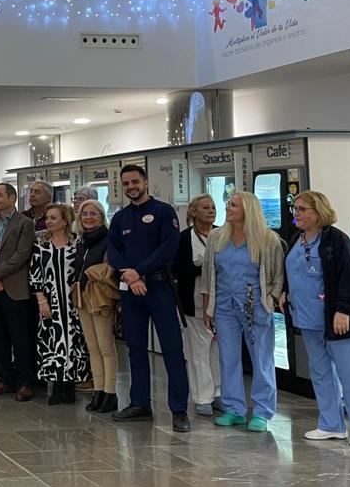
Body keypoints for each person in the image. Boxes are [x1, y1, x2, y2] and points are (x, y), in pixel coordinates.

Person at [285, 190, 350, 446]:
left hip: (336, 320)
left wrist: (343, 310)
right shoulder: (297, 239)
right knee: (321, 373)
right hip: (306, 319)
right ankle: (331, 424)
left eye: (303, 209)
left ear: (319, 212)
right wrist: (283, 292)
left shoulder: (336, 241)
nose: (297, 214)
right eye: (296, 209)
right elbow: (293, 271)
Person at [107, 164, 191, 432]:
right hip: (131, 291)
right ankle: (139, 403)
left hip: (159, 288)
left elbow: (169, 248)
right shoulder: (120, 218)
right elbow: (114, 251)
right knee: (136, 348)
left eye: (135, 182)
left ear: (145, 181)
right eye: (126, 184)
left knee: (172, 349)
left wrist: (139, 271)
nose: (131, 187)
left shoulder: (164, 212)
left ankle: (179, 410)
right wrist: (130, 277)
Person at [202, 191, 284, 432]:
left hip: (255, 306)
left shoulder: (268, 240)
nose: (227, 208)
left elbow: (277, 276)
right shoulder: (217, 237)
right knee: (228, 358)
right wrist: (208, 307)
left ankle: (262, 411)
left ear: (248, 209)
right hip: (224, 306)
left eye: (233, 205)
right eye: (228, 203)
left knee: (261, 358)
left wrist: (271, 298)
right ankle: (234, 409)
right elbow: (209, 275)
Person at [0, 183, 38, 402]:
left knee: (20, 337)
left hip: (14, 288)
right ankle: (5, 378)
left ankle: (25, 381)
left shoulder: (25, 224)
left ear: (12, 198)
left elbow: (22, 254)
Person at [30, 204, 89, 405]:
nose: (48, 222)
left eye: (53, 218)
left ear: (65, 221)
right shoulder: (41, 245)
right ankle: (55, 386)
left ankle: (70, 384)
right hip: (51, 300)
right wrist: (42, 301)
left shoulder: (77, 243)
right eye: (47, 218)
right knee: (53, 342)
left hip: (73, 302)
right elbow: (35, 275)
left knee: (73, 341)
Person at [173, 194, 223, 417]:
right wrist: (203, 267)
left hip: (222, 302)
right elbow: (178, 270)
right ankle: (203, 397)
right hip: (193, 302)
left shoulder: (223, 234)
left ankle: (219, 393)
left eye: (213, 207)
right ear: (193, 212)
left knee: (218, 351)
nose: (210, 211)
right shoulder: (183, 239)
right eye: (205, 207)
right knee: (198, 351)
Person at [75, 200, 118, 413]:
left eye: (93, 214)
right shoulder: (81, 241)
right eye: (85, 214)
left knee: (105, 347)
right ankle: (98, 390)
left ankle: (110, 392)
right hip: (82, 296)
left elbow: (111, 269)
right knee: (92, 347)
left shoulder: (109, 239)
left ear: (101, 217)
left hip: (100, 296)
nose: (89, 217)